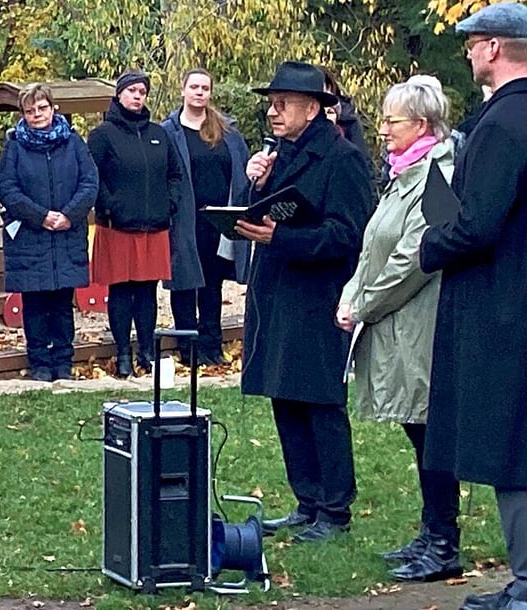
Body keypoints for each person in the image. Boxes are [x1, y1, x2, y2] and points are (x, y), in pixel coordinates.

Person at [419, 5, 527, 609]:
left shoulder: (504, 124)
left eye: (475, 43)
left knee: (519, 447)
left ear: (496, 49)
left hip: (506, 307)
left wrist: (431, 243)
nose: (470, 53)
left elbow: (479, 223)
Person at [238, 61, 372, 543]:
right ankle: (307, 500)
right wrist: (252, 185)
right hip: (277, 294)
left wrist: (283, 239)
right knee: (285, 398)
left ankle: (334, 509)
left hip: (317, 298)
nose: (273, 112)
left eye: (282, 104)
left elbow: (350, 234)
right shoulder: (281, 153)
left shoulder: (342, 158)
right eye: (271, 104)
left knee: (318, 402)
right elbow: (260, 216)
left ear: (312, 108)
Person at [336, 75, 461, 581]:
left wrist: (363, 303)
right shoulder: (403, 173)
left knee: (430, 431)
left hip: (422, 325)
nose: (383, 128)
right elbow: (376, 246)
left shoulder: (439, 175)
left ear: (424, 124)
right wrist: (353, 293)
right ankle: (431, 532)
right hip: (398, 323)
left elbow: (416, 258)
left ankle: (444, 540)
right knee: (420, 431)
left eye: (393, 120)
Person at [0, 83, 98, 381]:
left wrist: (69, 214)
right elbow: (7, 188)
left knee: (63, 305)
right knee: (36, 305)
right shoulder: (14, 145)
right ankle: (39, 362)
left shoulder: (74, 142)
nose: (37, 114)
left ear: (53, 108)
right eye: (30, 110)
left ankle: (63, 362)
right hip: (31, 235)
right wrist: (40, 216)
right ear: (23, 114)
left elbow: (89, 182)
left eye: (42, 108)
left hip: (67, 234)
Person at [89, 71, 182, 377]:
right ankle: (122, 353)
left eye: (141, 91)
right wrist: (111, 206)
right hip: (117, 227)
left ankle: (146, 352)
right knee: (120, 292)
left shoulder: (159, 133)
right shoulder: (103, 134)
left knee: (147, 292)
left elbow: (174, 174)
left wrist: (169, 203)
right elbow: (93, 178)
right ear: (119, 95)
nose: (137, 96)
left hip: (154, 226)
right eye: (131, 90)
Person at [161, 68, 252, 366]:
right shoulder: (168, 132)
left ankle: (212, 346)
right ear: (183, 90)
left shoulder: (226, 131)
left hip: (220, 220)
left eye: (205, 88)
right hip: (185, 220)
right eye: (194, 87)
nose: (200, 92)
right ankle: (188, 349)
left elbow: (242, 170)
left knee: (212, 285)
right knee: (186, 283)